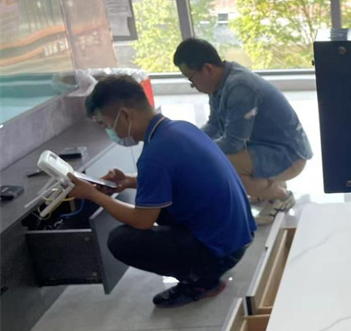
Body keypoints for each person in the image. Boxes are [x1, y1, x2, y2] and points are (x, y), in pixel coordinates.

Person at [67, 75, 257, 308]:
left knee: (120, 240)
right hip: (239, 238)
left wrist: (94, 195)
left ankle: (202, 281)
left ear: (124, 115)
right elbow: (179, 178)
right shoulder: (179, 129)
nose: (110, 131)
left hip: (222, 251)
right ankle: (206, 263)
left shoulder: (154, 155)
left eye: (106, 125)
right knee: (159, 206)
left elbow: (141, 221)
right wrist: (128, 181)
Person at [173, 38, 313, 224]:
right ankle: (266, 187)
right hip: (271, 147)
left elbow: (233, 143)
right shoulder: (221, 83)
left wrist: (195, 152)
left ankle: (280, 195)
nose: (194, 86)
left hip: (290, 156)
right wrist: (190, 141)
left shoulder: (239, 87)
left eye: (191, 79)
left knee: (218, 166)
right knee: (212, 157)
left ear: (207, 69)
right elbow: (214, 125)